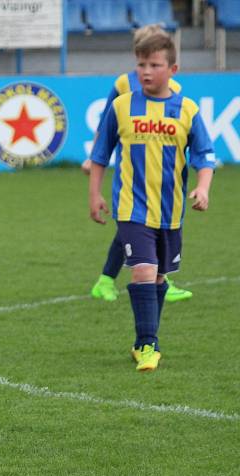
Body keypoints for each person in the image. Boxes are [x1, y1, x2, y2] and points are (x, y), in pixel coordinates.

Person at [88, 31, 214, 372]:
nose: (146, 71)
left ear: (172, 68)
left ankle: (144, 339)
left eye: (154, 65)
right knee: (143, 271)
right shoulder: (121, 105)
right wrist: (95, 194)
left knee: (159, 278)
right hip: (130, 207)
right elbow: (100, 153)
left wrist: (203, 188)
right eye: (141, 64)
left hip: (171, 210)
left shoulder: (186, 109)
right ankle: (148, 344)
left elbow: (204, 155)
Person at [83, 25, 193, 304]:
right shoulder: (123, 85)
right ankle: (111, 279)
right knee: (133, 223)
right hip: (132, 166)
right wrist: (94, 155)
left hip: (161, 173)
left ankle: (155, 277)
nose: (148, 69)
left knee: (142, 227)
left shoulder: (175, 90)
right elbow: (106, 122)